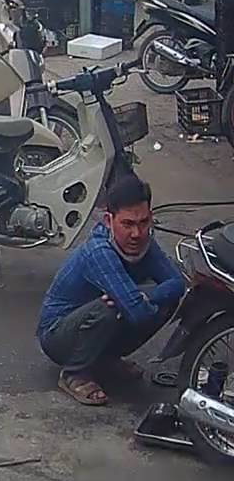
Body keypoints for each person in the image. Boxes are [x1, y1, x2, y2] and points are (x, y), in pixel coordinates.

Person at [36, 174, 185, 406]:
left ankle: (105, 360)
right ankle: (74, 373)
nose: (136, 233)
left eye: (143, 222)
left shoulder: (146, 243)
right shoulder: (99, 251)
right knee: (110, 308)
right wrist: (136, 301)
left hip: (100, 322)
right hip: (58, 335)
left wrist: (146, 296)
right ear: (108, 220)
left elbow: (177, 283)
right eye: (127, 224)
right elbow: (137, 313)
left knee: (163, 301)